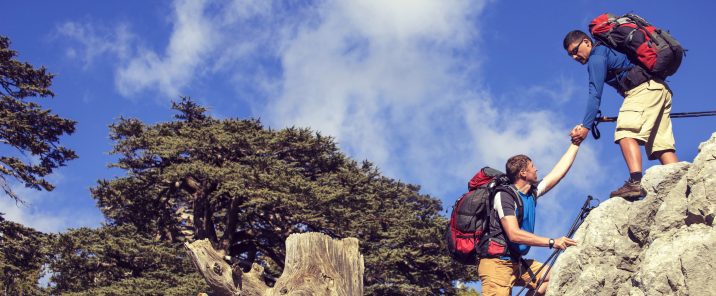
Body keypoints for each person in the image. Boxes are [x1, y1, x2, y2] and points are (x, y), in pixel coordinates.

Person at [563, 30, 678, 198]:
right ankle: (679, 183)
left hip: (642, 90)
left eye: (575, 51)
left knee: (625, 133)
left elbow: (594, 93)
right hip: (659, 89)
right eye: (570, 55)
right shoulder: (607, 49)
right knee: (660, 146)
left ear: (587, 42)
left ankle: (635, 182)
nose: (574, 57)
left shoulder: (596, 57)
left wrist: (586, 127)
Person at [477, 140, 580, 296]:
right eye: (532, 166)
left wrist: (576, 143)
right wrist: (553, 242)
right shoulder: (504, 196)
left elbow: (558, 173)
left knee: (553, 277)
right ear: (523, 173)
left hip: (516, 262)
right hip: (496, 264)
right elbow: (514, 234)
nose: (536, 168)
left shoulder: (531, 193)